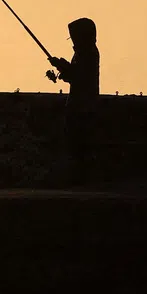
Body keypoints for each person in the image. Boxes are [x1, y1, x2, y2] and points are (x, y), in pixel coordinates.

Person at [45, 17, 100, 184]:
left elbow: (77, 76)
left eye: (74, 37)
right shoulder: (84, 52)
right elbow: (74, 75)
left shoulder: (87, 53)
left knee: (79, 144)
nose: (73, 41)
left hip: (82, 105)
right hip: (81, 104)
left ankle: (81, 179)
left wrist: (60, 64)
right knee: (77, 143)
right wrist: (61, 66)